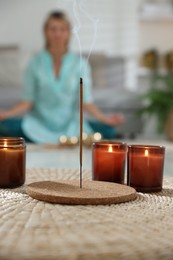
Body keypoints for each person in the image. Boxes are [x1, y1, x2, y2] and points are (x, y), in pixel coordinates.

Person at [0, 11, 124, 143]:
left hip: (71, 126)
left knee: (109, 131)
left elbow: (86, 102)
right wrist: (5, 114)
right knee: (4, 127)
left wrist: (106, 119)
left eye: (62, 29)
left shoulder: (80, 64)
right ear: (45, 32)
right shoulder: (34, 63)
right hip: (38, 125)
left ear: (69, 33)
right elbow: (27, 101)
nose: (57, 34)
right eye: (53, 29)